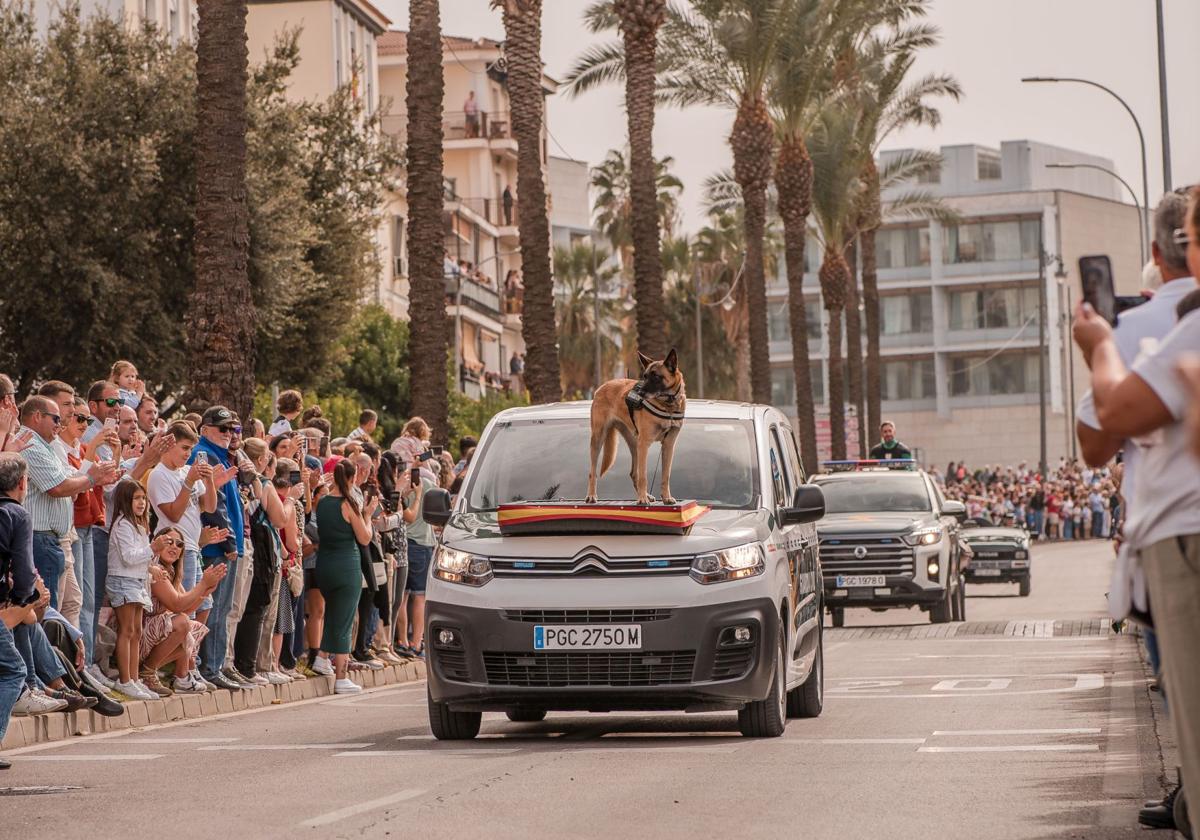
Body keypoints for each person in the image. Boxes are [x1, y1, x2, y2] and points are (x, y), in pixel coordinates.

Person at [1073, 187, 1200, 838]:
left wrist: (1099, 348)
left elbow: (1100, 440)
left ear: (1158, 253)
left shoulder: (1142, 328)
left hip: (1179, 537)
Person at [18, 396, 116, 607]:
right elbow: (59, 487)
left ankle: (66, 642)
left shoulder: (45, 444)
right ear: (37, 416)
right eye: (56, 418)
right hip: (41, 538)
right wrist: (91, 478)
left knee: (71, 605)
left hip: (54, 539)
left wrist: (95, 476)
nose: (60, 424)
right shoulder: (29, 443)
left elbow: (68, 476)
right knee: (49, 609)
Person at [189, 406, 248, 692]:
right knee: (215, 608)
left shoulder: (221, 455)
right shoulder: (206, 455)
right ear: (205, 429)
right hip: (216, 545)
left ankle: (217, 664)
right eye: (223, 428)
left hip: (224, 543)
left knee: (222, 609)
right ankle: (209, 666)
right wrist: (229, 543)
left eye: (233, 430)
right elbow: (215, 506)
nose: (229, 434)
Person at [105, 479, 173, 701]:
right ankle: (125, 680)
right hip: (123, 580)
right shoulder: (123, 525)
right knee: (127, 630)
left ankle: (134, 679)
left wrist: (152, 564)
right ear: (126, 500)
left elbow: (141, 557)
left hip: (137, 580)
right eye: (137, 498)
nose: (142, 502)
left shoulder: (139, 525)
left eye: (143, 498)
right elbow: (128, 557)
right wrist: (153, 548)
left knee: (137, 631)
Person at [0, 454, 47, 766]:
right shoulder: (17, 514)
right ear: (21, 483)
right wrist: (24, 597)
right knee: (13, 670)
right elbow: (25, 567)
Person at [139, 525, 225, 695]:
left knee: (194, 628)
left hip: (150, 632)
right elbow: (176, 605)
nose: (174, 547)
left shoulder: (171, 571)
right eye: (169, 542)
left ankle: (149, 669)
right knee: (182, 623)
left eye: (179, 545)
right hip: (138, 631)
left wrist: (205, 590)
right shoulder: (156, 568)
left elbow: (187, 607)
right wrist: (202, 585)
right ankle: (147, 672)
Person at [313, 459, 375, 694]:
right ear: (352, 478)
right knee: (344, 620)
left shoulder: (323, 502)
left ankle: (322, 657)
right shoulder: (349, 504)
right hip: (346, 566)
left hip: (325, 565)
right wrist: (368, 514)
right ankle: (341, 676)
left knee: (333, 614)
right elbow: (365, 538)